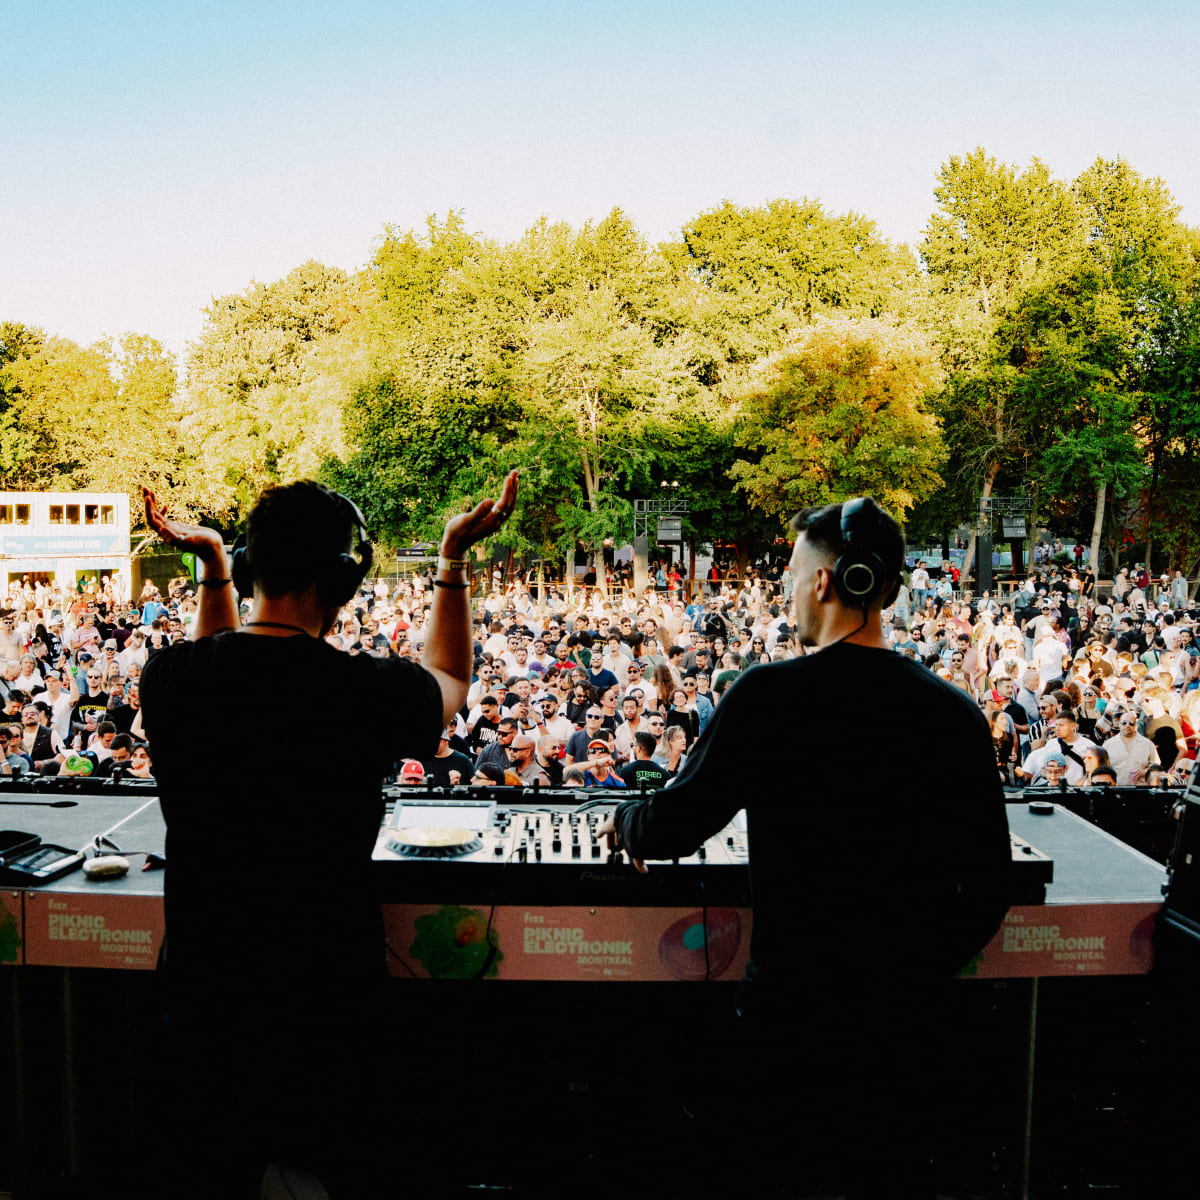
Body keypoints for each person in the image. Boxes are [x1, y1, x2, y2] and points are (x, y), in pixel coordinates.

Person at [601, 497, 1010, 1198]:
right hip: (910, 1031)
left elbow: (676, 823)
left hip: (790, 1021)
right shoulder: (954, 713)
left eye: (792, 571)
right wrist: (910, 972)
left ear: (826, 583)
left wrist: (623, 823)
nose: (786, 587)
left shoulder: (768, 696)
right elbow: (988, 889)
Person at [140, 471, 518, 1197]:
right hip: (322, 995)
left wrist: (217, 567)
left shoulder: (170, 676)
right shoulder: (364, 692)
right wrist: (451, 560)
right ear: (344, 583)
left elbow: (223, 667)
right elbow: (447, 675)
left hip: (201, 990)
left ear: (253, 568)